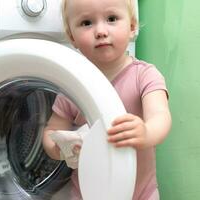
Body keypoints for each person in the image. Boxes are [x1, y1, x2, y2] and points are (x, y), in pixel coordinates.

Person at [42, 0, 172, 199]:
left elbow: (160, 117)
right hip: (87, 192)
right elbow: (51, 132)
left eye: (111, 19)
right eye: (87, 23)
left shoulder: (145, 75)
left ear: (131, 27)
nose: (101, 31)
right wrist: (61, 149)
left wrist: (146, 132)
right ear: (72, 37)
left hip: (141, 193)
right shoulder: (73, 85)